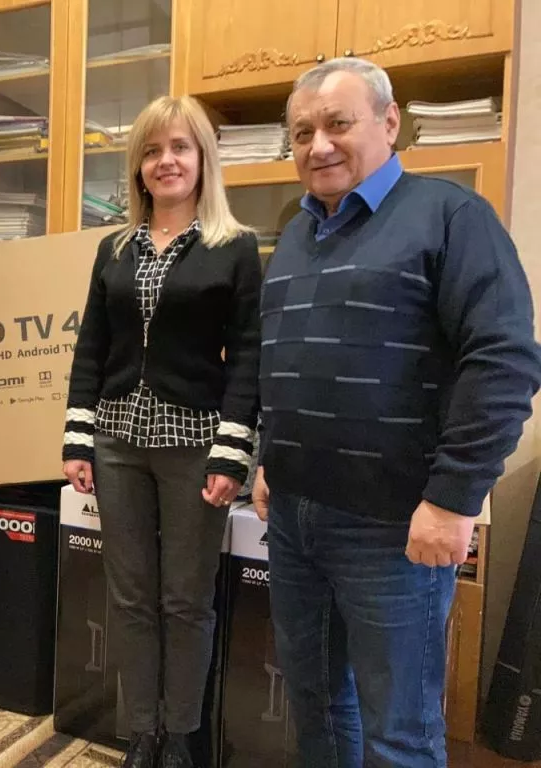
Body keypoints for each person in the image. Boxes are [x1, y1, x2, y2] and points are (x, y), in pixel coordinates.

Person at [253, 56, 541, 767]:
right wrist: (269, 458)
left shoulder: (451, 216)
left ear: (389, 123)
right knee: (316, 708)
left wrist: (452, 499)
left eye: (337, 124)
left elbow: (503, 361)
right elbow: (284, 360)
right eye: (302, 133)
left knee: (399, 733)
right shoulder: (295, 234)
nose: (319, 145)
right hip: (293, 518)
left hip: (393, 529)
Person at [62, 95, 262, 768]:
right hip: (117, 443)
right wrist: (77, 439)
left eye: (179, 147)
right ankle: (142, 732)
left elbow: (250, 356)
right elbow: (92, 347)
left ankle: (180, 737)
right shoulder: (114, 248)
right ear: (138, 168)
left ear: (202, 159)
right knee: (130, 597)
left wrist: (231, 454)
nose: (165, 161)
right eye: (151, 150)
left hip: (195, 447)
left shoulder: (234, 248)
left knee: (185, 600)